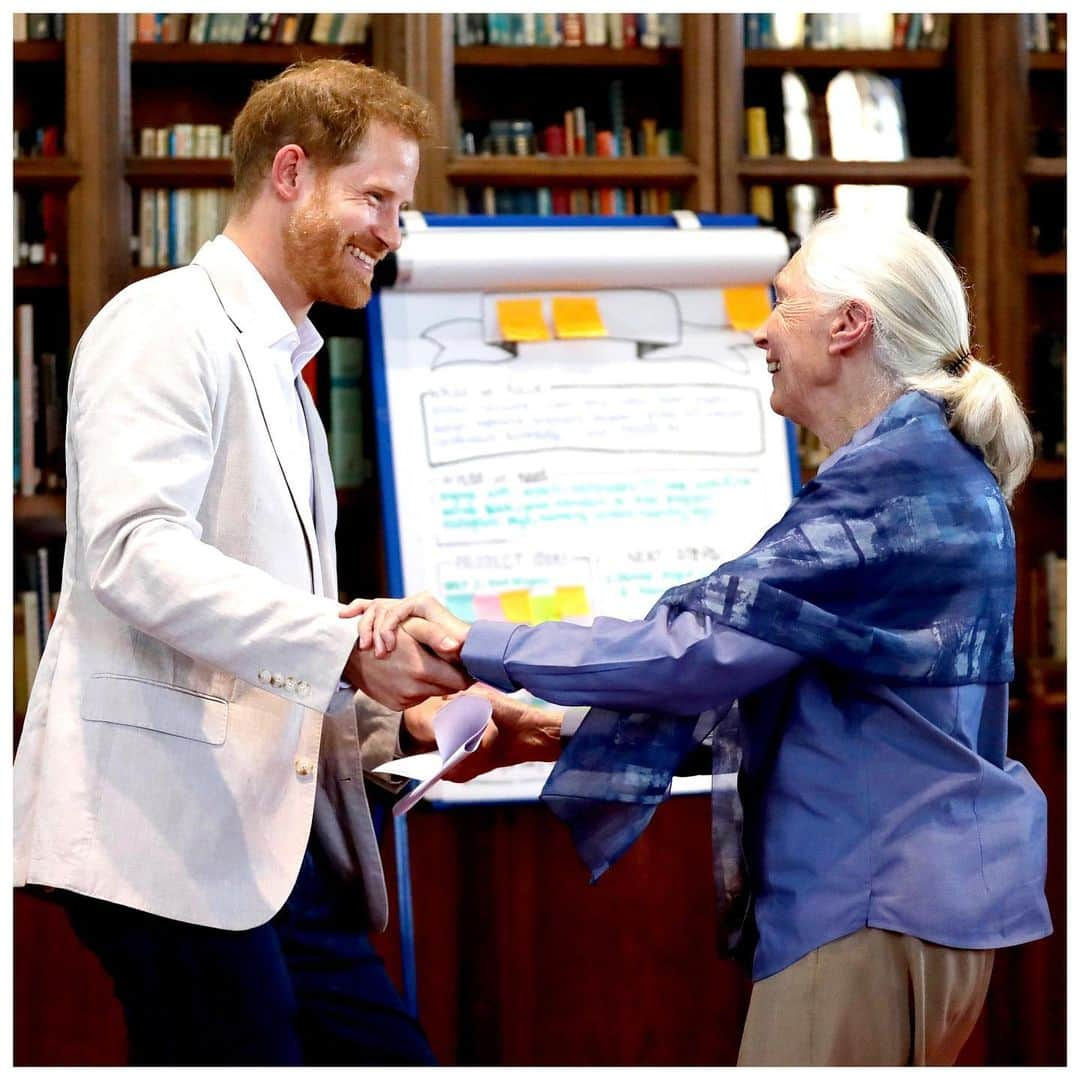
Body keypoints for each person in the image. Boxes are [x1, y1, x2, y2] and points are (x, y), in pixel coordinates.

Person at [348, 213, 1053, 1067]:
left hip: (872, 898)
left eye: (781, 303)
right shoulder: (923, 467)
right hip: (905, 892)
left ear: (849, 325)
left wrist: (472, 641)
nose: (759, 329)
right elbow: (780, 688)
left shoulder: (895, 483)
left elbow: (694, 650)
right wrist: (548, 729)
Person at [12, 59, 496, 1066]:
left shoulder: (281, 359)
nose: (391, 235)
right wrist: (346, 644)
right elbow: (132, 555)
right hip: (163, 840)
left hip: (267, 849)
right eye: (376, 198)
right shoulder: (163, 324)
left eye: (398, 208)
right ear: (289, 175)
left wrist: (390, 712)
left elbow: (261, 631)